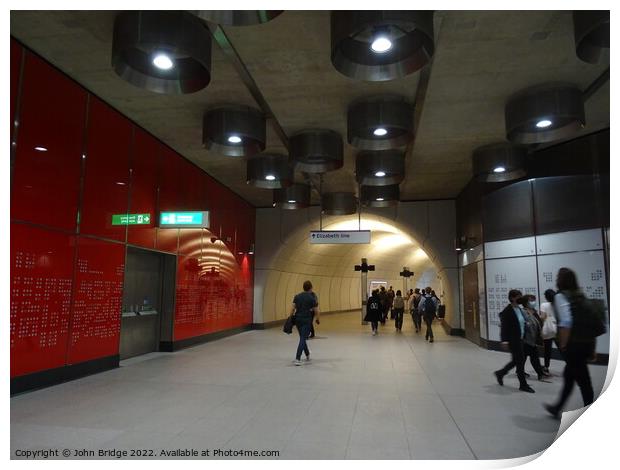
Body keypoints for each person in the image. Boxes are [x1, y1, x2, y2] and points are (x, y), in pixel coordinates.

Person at [545, 268, 596, 419]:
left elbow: (566, 321)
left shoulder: (561, 296)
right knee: (570, 376)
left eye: (557, 277)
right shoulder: (580, 296)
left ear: (561, 280)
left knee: (583, 381)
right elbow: (590, 323)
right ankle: (557, 407)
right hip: (586, 343)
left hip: (574, 346)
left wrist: (563, 344)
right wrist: (592, 348)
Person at [493, 289, 535, 393]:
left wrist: (526, 325)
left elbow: (521, 322)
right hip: (513, 340)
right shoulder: (507, 311)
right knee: (520, 362)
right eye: (518, 296)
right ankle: (523, 384)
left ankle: (500, 373)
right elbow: (504, 327)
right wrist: (504, 340)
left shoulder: (519, 309)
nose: (520, 298)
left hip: (520, 339)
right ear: (512, 298)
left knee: (516, 361)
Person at [288, 280, 320, 366]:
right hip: (306, 320)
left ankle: (307, 355)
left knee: (302, 337)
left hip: (298, 320)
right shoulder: (311, 298)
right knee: (303, 338)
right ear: (311, 288)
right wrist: (317, 319)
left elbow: (293, 308)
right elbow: (316, 310)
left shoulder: (297, 296)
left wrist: (290, 317)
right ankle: (297, 358)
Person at [519, 294, 549, 381]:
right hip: (526, 339)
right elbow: (524, 323)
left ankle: (521, 371)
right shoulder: (523, 311)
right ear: (526, 302)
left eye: (533, 300)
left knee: (526, 357)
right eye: (531, 300)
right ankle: (539, 373)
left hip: (534, 338)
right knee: (533, 357)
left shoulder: (534, 311)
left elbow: (538, 322)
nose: (533, 302)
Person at [539, 289, 558, 375]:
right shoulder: (557, 305)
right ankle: (571, 366)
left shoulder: (544, 305)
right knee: (562, 349)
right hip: (557, 329)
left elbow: (542, 318)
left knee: (547, 350)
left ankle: (546, 367)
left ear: (546, 297)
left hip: (547, 330)